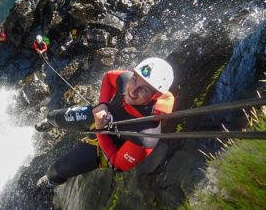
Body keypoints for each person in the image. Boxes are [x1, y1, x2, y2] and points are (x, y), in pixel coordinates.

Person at [35, 57, 175, 187]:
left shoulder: (145, 137)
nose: (132, 91)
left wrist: (100, 130)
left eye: (144, 89)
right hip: (99, 115)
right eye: (134, 79)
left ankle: (51, 180)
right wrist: (103, 104)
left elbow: (116, 165)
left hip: (104, 148)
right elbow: (108, 77)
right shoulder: (127, 79)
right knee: (55, 117)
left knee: (57, 170)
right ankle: (49, 122)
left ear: (155, 96)